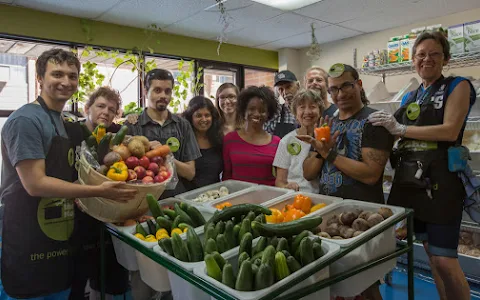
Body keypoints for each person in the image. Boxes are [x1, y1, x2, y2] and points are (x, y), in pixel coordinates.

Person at [0, 49, 136, 299]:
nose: (65, 81)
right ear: (40, 77)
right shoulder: (26, 120)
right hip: (28, 238)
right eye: (57, 74)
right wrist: (97, 191)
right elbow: (35, 184)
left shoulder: (62, 122)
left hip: (57, 239)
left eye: (72, 76)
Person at [368, 31, 476, 300]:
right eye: (421, 55)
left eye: (434, 54)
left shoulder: (457, 85)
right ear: (413, 60)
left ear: (446, 58)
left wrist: (402, 128)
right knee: (431, 255)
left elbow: (450, 131)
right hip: (412, 184)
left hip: (442, 184)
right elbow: (393, 132)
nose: (427, 59)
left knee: (445, 261)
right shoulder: (410, 96)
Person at [299, 63, 394, 300]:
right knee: (336, 285)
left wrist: (330, 154)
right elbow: (308, 172)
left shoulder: (374, 121)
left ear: (359, 85)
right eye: (333, 90)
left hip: (363, 217)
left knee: (366, 283)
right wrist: (321, 152)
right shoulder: (327, 120)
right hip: (330, 213)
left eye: (346, 87)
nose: (339, 94)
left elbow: (371, 173)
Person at [69, 87, 129, 300]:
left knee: (107, 276)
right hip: (77, 215)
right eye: (100, 106)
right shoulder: (71, 133)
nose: (105, 112)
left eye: (111, 109)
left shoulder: (118, 137)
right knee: (77, 274)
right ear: (87, 108)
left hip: (107, 210)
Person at [125, 68, 201, 199]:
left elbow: (190, 172)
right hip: (140, 202)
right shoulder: (132, 126)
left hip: (176, 200)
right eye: (157, 90)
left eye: (168, 91)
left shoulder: (182, 125)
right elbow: (124, 172)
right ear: (145, 92)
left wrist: (168, 156)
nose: (163, 96)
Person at [223, 86, 280, 186]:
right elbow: (226, 175)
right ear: (243, 110)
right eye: (252, 109)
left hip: (267, 198)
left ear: (268, 114)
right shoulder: (230, 140)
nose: (257, 114)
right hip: (238, 197)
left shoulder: (277, 142)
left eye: (262, 110)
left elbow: (280, 178)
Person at [273, 89, 324, 192]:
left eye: (312, 107)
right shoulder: (286, 141)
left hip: (323, 198)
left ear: (320, 111)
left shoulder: (325, 139)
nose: (307, 112)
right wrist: (286, 186)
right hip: (297, 198)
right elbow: (279, 182)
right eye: (302, 107)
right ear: (295, 113)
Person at [183, 96, 223, 189]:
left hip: (214, 195)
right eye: (198, 115)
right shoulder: (184, 140)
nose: (204, 119)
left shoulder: (218, 139)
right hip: (187, 196)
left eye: (207, 115)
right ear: (190, 118)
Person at [264, 70, 299, 138]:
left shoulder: (308, 111)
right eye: (281, 89)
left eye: (288, 87)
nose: (285, 92)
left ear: (298, 85)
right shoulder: (276, 113)